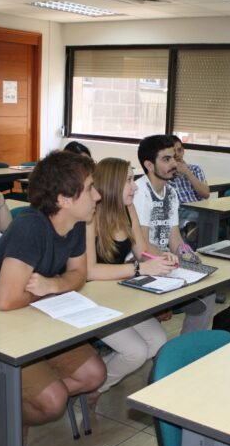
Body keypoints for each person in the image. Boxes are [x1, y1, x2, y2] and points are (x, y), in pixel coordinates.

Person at [0, 151, 106, 444]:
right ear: (64, 199)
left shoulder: (76, 222)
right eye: (90, 187)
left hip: (35, 319)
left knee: (94, 374)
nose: (98, 195)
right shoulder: (30, 227)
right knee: (54, 401)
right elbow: (5, 301)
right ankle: (16, 411)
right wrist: (52, 289)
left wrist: (53, 285)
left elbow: (79, 274)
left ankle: (16, 403)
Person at [86, 158, 173, 394]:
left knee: (158, 342)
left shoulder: (128, 208)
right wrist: (139, 268)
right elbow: (89, 271)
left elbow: (142, 252)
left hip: (119, 294)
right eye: (128, 181)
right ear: (112, 184)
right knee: (135, 351)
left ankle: (94, 384)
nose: (135, 186)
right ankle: (90, 390)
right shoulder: (90, 215)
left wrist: (162, 258)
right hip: (91, 300)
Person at [134, 134, 215, 333]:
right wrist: (171, 260)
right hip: (143, 264)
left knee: (208, 289)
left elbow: (175, 239)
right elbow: (142, 248)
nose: (174, 163)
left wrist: (188, 255)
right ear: (149, 165)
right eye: (166, 159)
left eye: (173, 158)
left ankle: (186, 350)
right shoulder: (140, 193)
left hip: (166, 261)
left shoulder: (170, 192)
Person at [167, 135, 210, 245]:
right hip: (177, 209)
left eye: (180, 150)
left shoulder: (195, 169)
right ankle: (189, 227)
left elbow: (205, 194)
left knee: (203, 214)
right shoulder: (164, 172)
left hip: (197, 208)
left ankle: (189, 227)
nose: (177, 154)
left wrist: (187, 173)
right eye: (173, 151)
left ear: (183, 150)